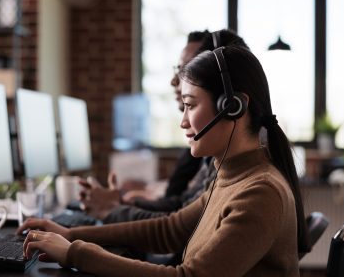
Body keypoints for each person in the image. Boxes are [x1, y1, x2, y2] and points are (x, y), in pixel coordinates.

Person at [17, 32, 310, 277]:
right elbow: (167, 230)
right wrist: (70, 233)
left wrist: (75, 253)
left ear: (232, 107)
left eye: (190, 105)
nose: (183, 122)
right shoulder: (230, 175)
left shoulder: (260, 192)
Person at [82, 30, 247, 224]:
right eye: (179, 69)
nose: (175, 80)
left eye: (186, 70)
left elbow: (175, 227)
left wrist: (113, 209)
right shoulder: (217, 153)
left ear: (227, 103)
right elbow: (181, 210)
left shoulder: (245, 177)